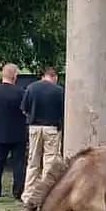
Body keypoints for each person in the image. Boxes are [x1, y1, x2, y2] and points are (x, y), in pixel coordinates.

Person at [0, 63, 27, 202]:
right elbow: (26, 111)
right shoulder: (21, 93)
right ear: (15, 76)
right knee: (18, 164)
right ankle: (18, 192)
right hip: (18, 134)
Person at [20, 66, 64, 202]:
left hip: (34, 127)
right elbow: (63, 111)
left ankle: (28, 194)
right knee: (49, 160)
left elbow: (24, 109)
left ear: (43, 76)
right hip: (51, 128)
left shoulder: (31, 88)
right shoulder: (59, 90)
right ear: (54, 77)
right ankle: (45, 193)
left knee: (33, 161)